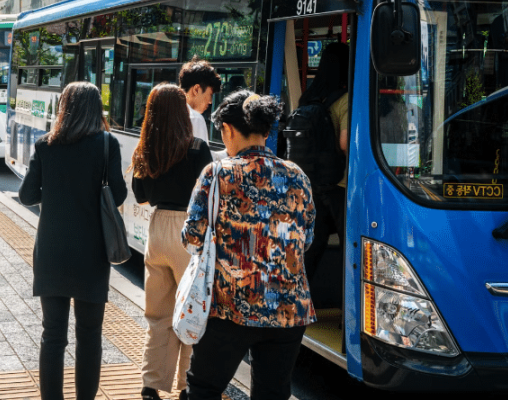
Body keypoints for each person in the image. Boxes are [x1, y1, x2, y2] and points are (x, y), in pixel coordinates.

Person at [182, 91, 315, 400]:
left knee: (203, 388)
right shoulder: (298, 176)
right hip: (289, 310)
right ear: (267, 132)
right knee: (272, 393)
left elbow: (192, 238)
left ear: (227, 129)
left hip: (229, 307)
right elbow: (305, 240)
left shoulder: (217, 174)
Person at [18, 81, 127, 400]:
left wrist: (54, 194)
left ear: (63, 107)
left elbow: (26, 195)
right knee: (90, 335)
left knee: (52, 335)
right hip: (93, 253)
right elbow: (118, 194)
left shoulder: (44, 145)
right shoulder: (108, 144)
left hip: (52, 250)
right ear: (97, 109)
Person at [131, 85, 212, 400]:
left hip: (158, 228)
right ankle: (186, 384)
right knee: (192, 310)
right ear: (182, 112)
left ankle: (151, 384)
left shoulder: (146, 150)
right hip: (187, 232)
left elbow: (141, 197)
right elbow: (205, 195)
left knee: (159, 313)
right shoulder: (196, 148)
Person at [296, 42, 349, 282]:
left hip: (313, 182)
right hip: (340, 184)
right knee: (350, 248)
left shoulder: (309, 97)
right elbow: (344, 143)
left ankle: (297, 302)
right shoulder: (345, 99)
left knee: (312, 248)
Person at [178, 60, 222, 142]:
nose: (210, 101)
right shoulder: (195, 119)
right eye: (210, 95)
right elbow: (202, 154)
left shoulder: (167, 111)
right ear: (196, 89)